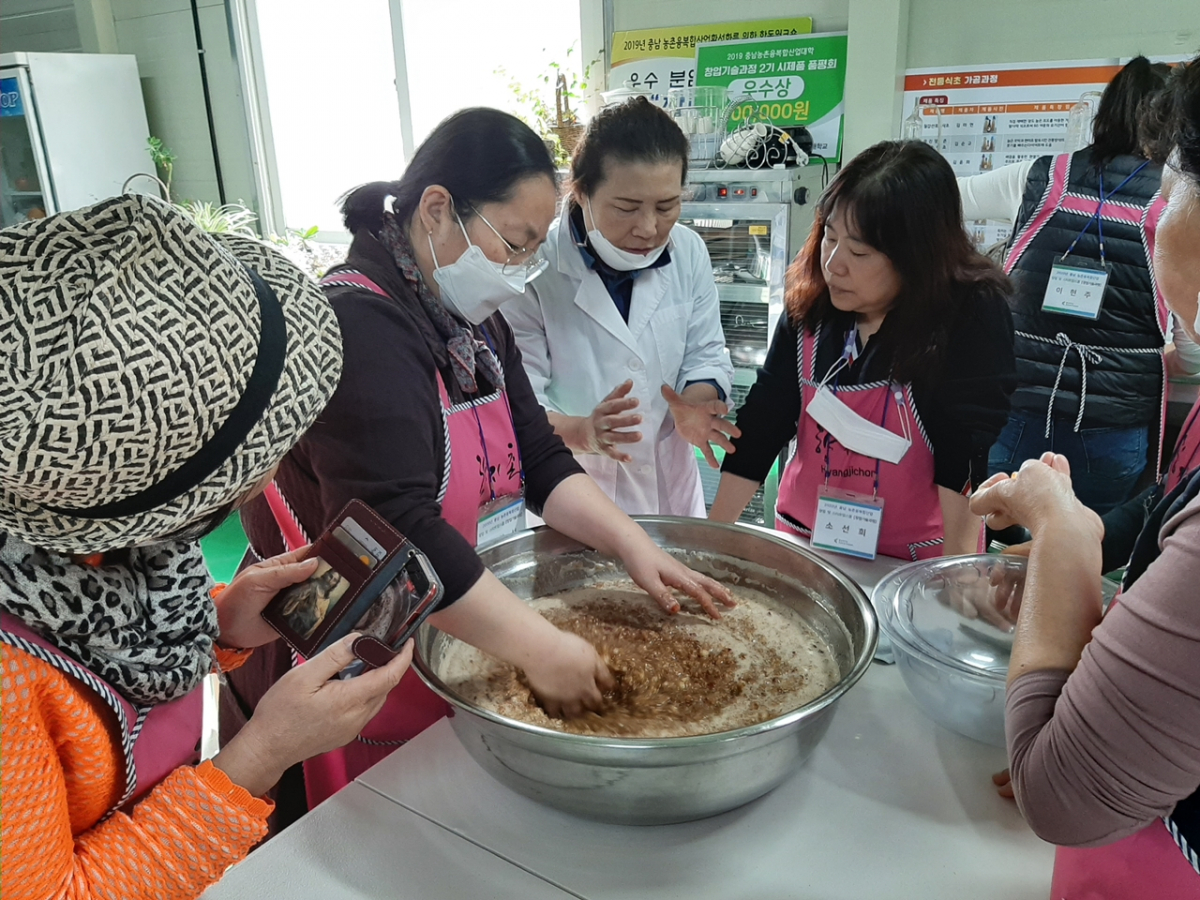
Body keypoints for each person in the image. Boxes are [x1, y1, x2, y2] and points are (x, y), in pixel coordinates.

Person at [237, 107, 734, 810]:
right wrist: (544, 649)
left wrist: (632, 544)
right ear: (438, 210)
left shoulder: (470, 319)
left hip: (459, 609)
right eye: (515, 243)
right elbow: (398, 526)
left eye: (536, 249)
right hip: (362, 660)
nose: (522, 270)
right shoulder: (363, 326)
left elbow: (537, 453)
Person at [0, 194, 413, 900]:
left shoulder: (110, 519)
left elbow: (108, 634)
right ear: (161, 480)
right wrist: (262, 755)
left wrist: (220, 625)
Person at [970, 55, 1200, 899]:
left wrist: (1065, 536)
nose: (1157, 203)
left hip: (1147, 846)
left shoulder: (1040, 176)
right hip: (1107, 425)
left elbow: (1062, 796)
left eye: (1171, 190)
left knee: (1015, 554)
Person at [709, 140, 1016, 560]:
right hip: (807, 541)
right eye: (829, 237)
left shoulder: (969, 313)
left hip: (915, 558)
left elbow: (962, 452)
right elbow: (764, 422)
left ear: (917, 258)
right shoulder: (814, 300)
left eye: (859, 251)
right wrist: (709, 541)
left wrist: (956, 577)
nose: (834, 263)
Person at [958, 57, 1193, 515]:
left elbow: (943, 196)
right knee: (1087, 559)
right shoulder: (1172, 205)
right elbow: (1191, 351)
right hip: (1111, 431)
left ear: (1105, 111)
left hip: (1017, 412)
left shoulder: (1040, 178)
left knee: (1002, 546)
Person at [502, 97, 737, 516]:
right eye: (626, 208)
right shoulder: (536, 269)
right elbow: (521, 403)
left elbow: (705, 352)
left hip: (671, 493)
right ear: (581, 190)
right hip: (578, 493)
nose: (648, 228)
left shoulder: (688, 251)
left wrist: (695, 403)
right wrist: (584, 433)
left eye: (667, 206)